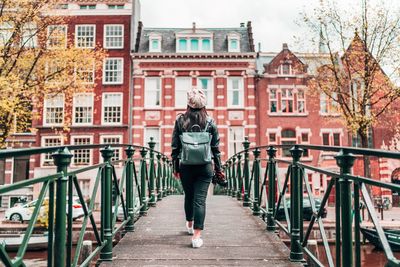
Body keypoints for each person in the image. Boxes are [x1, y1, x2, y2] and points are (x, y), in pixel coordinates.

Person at [171, 88, 225, 248]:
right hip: (205, 166)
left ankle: (189, 224)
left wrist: (175, 168)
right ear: (204, 105)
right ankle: (196, 237)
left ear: (188, 104)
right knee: (200, 200)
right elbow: (216, 149)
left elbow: (175, 147)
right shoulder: (210, 122)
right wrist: (219, 169)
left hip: (186, 166)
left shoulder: (180, 120)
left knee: (189, 195)